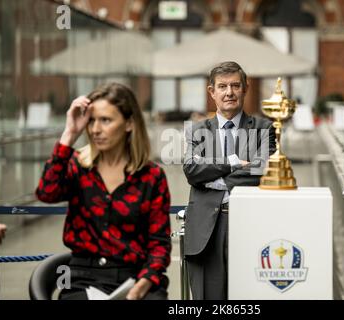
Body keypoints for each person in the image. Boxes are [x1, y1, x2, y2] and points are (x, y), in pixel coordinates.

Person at [36, 83, 171, 300]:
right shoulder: (78, 167)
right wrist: (69, 134)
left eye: (105, 120)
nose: (95, 129)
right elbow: (46, 193)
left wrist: (143, 283)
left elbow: (159, 245)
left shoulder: (151, 177)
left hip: (134, 279)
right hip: (83, 278)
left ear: (128, 124)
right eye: (91, 121)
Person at [183, 61, 276, 300]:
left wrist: (213, 178)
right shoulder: (195, 130)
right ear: (211, 92)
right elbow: (192, 171)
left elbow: (262, 171)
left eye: (235, 85)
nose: (229, 92)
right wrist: (234, 163)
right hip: (206, 230)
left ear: (246, 88)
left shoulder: (264, 128)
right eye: (222, 86)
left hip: (250, 224)